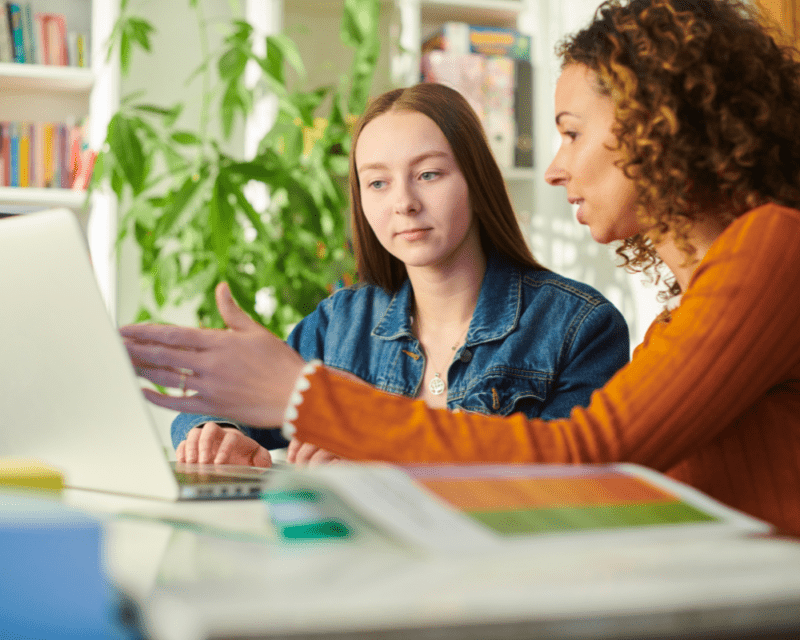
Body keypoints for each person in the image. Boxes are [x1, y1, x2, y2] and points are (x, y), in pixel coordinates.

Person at [121, 0, 800, 535]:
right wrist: (234, 436)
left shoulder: (772, 248)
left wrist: (306, 399)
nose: (558, 165)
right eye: (376, 183)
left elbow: (586, 459)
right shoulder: (698, 298)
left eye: (570, 131)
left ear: (661, 121)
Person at [165, 83, 630, 467]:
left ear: (476, 179)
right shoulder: (339, 326)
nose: (403, 203)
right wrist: (219, 433)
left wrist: (382, 462)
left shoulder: (578, 326)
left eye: (428, 174)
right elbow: (221, 406)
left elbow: (572, 486)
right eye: (378, 183)